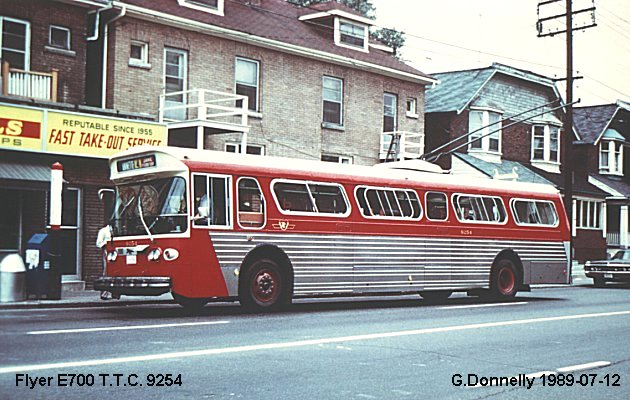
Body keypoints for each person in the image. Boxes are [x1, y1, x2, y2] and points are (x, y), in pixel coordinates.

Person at [96, 225, 112, 300]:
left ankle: (111, 293)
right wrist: (106, 243)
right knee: (106, 271)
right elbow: (98, 243)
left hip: (114, 253)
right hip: (107, 252)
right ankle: (104, 293)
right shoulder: (103, 231)